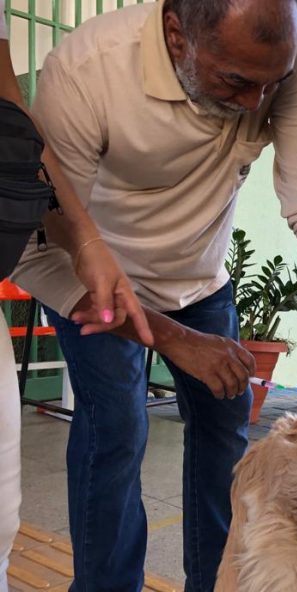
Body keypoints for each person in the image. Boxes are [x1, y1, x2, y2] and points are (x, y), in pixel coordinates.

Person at [11, 0, 297, 589]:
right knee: (116, 432)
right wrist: (175, 339)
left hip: (202, 279)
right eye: (235, 82)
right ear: (177, 36)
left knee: (225, 434)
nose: (256, 104)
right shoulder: (88, 72)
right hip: (98, 282)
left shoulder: (279, 56)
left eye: (271, 85)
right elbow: (42, 251)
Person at [0, 0, 153, 589]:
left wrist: (86, 239)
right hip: (65, 273)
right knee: (117, 422)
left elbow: (10, 109)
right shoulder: (91, 63)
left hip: (104, 273)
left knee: (1, 518)